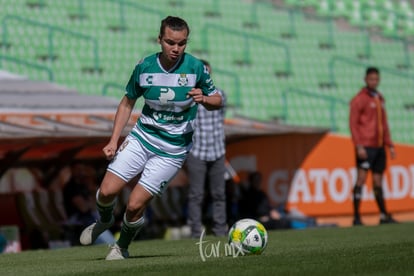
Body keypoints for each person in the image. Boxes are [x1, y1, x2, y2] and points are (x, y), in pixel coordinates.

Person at [79, 15, 222, 260]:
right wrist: (114, 140)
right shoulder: (144, 67)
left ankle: (121, 247)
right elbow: (127, 103)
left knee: (135, 205)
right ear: (159, 40)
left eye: (182, 43)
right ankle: (104, 220)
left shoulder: (196, 67)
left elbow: (217, 100)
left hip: (173, 150)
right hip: (142, 138)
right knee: (106, 192)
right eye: (170, 42)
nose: (176, 48)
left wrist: (205, 99)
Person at [349, 67, 397, 226]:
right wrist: (358, 145)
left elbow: (384, 123)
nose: (374, 82)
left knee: (378, 181)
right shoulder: (359, 99)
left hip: (379, 146)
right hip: (366, 146)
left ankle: (383, 215)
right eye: (371, 79)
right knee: (361, 179)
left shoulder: (380, 98)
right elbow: (353, 124)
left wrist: (389, 144)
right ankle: (356, 217)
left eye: (376, 79)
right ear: (365, 79)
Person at [186, 59, 227, 238]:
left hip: (217, 150)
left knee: (219, 193)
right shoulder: (189, 96)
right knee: (196, 194)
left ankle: (220, 230)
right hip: (197, 151)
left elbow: (220, 117)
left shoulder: (220, 94)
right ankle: (196, 232)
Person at [63, 163, 115, 245]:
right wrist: (90, 203)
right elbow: (83, 208)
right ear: (72, 170)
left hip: (91, 218)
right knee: (107, 240)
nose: (81, 172)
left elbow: (95, 205)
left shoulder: (83, 186)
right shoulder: (71, 187)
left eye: (82, 169)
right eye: (78, 169)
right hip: (79, 220)